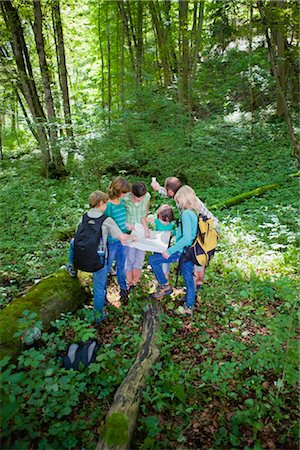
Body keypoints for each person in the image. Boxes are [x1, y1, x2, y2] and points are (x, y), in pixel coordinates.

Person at [66, 191, 132, 322]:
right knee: (99, 289)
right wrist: (134, 236)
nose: (107, 205)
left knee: (73, 242)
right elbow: (121, 237)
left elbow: (77, 236)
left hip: (82, 257)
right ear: (101, 203)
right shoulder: (107, 220)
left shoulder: (83, 217)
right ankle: (98, 316)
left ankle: (71, 265)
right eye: (105, 203)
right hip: (99, 258)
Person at [151, 176, 218, 289]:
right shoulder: (184, 194)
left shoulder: (187, 202)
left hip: (206, 232)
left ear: (172, 192)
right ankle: (194, 290)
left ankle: (197, 287)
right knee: (194, 262)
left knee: (198, 260)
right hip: (198, 232)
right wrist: (158, 188)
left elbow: (192, 232)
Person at [148, 185, 200, 317]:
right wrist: (174, 232)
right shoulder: (193, 211)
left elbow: (187, 238)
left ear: (183, 199)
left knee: (153, 260)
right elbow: (187, 231)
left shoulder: (187, 214)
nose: (177, 203)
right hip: (189, 251)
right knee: (188, 278)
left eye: (178, 200)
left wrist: (170, 251)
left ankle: (166, 287)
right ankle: (189, 302)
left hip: (183, 251)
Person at [105, 177, 131, 304]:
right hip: (113, 241)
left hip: (124, 240)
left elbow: (124, 219)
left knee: (121, 266)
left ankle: (124, 290)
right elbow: (107, 224)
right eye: (124, 192)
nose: (125, 195)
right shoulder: (108, 204)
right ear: (116, 191)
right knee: (108, 265)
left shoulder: (122, 201)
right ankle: (102, 294)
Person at [124, 181, 150, 289]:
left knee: (139, 258)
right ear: (132, 194)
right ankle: (128, 282)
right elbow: (118, 217)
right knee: (129, 258)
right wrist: (126, 225)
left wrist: (146, 229)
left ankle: (136, 282)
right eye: (137, 198)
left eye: (142, 197)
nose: (140, 200)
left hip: (140, 232)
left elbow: (145, 215)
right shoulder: (124, 199)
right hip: (128, 233)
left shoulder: (147, 197)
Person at [143, 204, 175, 280]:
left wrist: (172, 233)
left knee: (163, 266)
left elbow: (176, 232)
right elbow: (144, 219)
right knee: (160, 266)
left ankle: (164, 283)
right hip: (160, 247)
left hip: (164, 248)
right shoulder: (160, 222)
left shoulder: (169, 224)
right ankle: (161, 283)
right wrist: (146, 230)